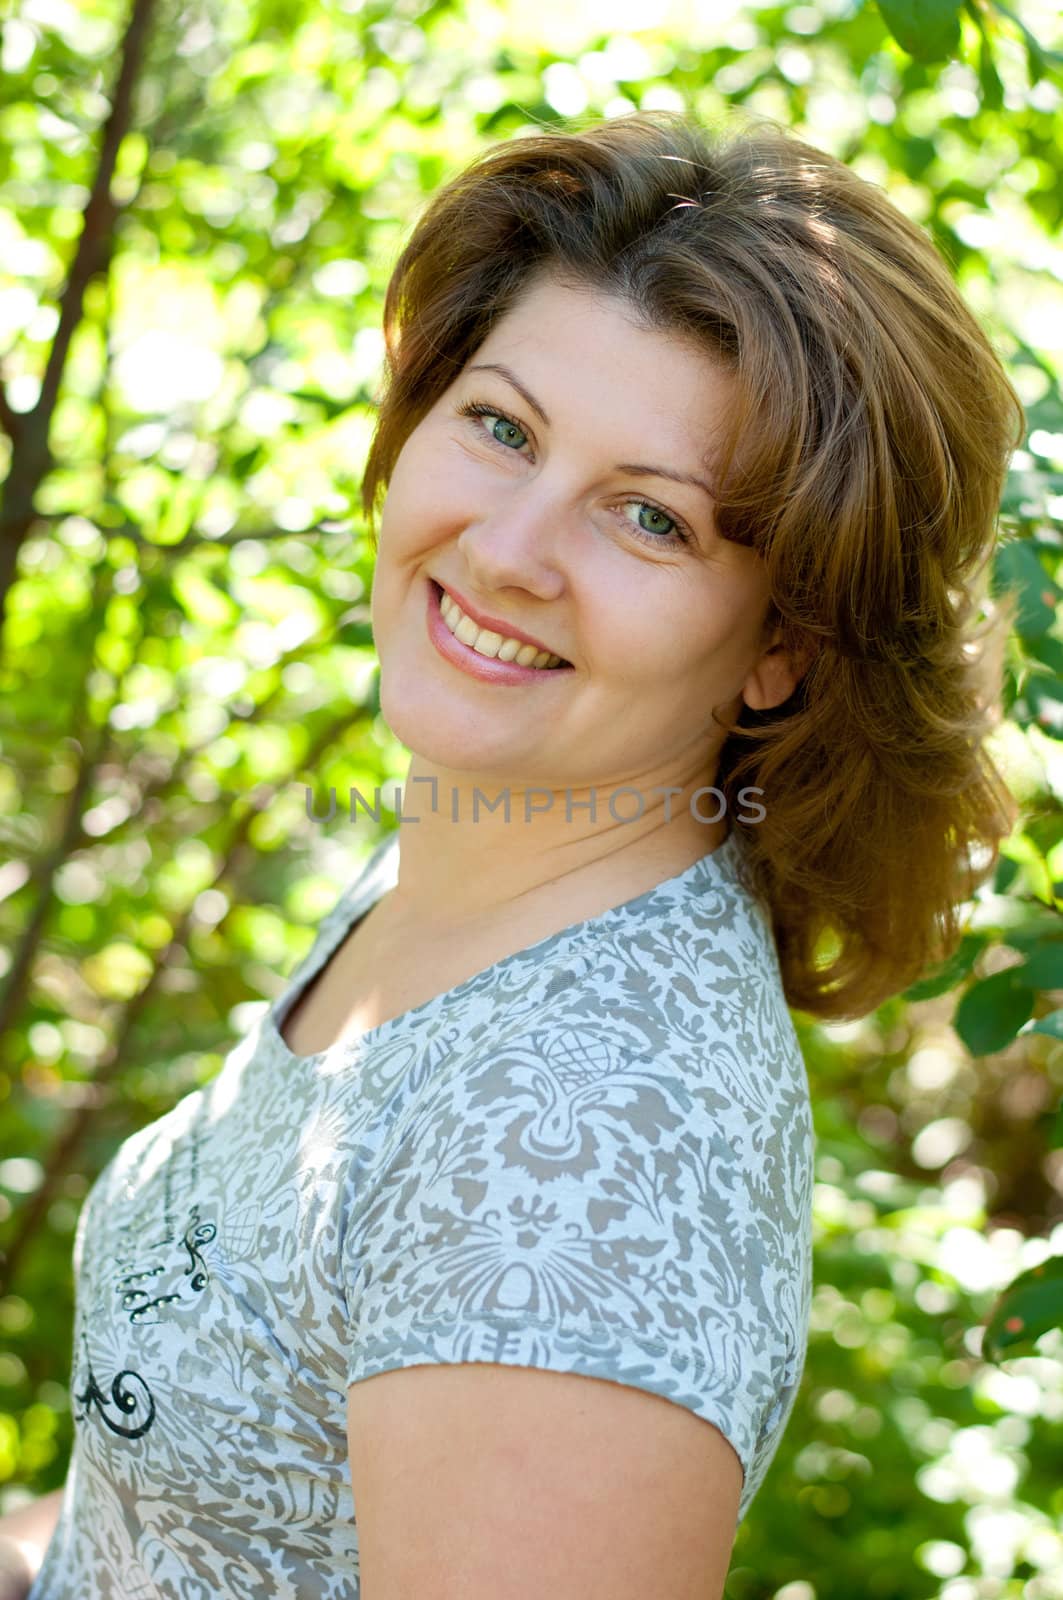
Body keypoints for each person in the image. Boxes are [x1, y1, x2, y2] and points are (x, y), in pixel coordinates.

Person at [3, 106, 1023, 1599]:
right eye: (501, 426)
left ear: (783, 648)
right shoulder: (460, 878)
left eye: (648, 519)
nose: (506, 550)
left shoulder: (580, 1145)